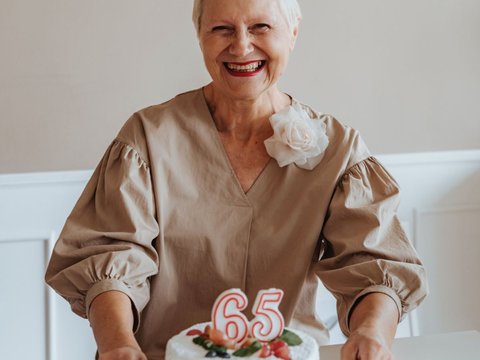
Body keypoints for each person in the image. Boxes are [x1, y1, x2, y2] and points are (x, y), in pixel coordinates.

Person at [45, 0, 428, 359]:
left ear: (293, 32)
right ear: (200, 36)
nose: (242, 47)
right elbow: (111, 256)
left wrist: (371, 333)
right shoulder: (148, 137)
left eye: (260, 26)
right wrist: (117, 344)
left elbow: (375, 264)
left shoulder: (338, 149)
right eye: (222, 29)